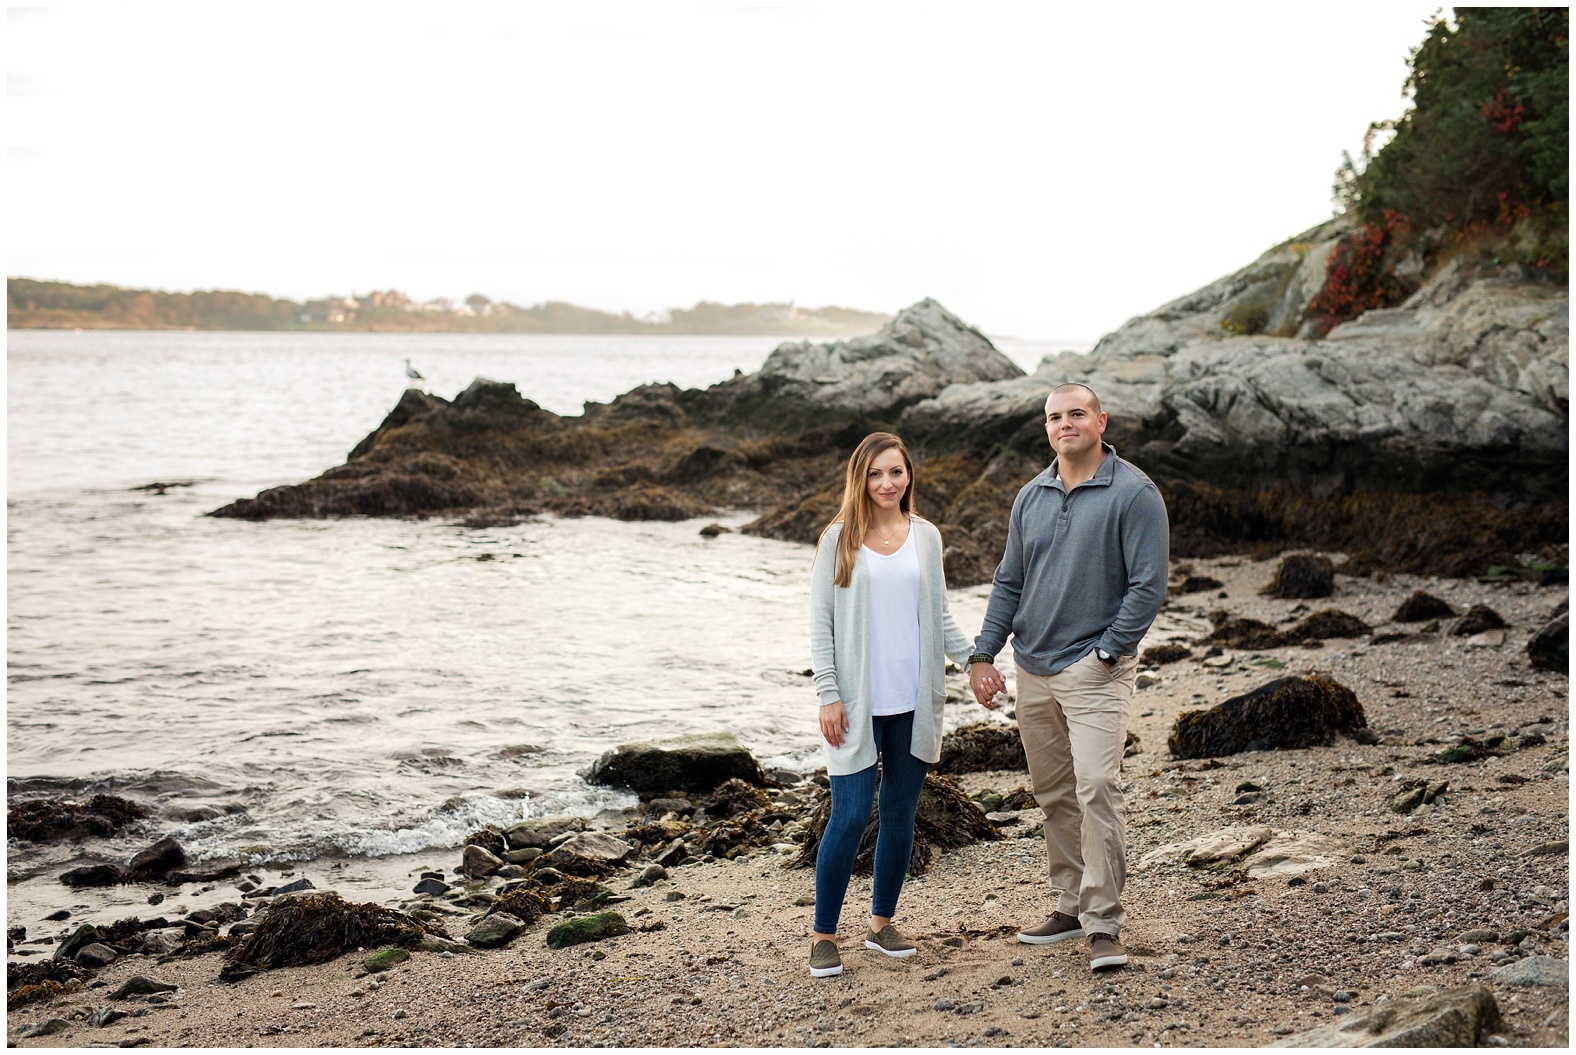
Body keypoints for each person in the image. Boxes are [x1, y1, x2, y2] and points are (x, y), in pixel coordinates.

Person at [966, 382, 1168, 972]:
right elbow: (1009, 581)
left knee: (1098, 789)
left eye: (1076, 414)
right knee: (1054, 793)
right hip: (1032, 668)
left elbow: (1147, 585)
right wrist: (984, 654)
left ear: (1101, 420)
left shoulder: (1135, 493)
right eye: (1055, 417)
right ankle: (1069, 904)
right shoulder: (1032, 495)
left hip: (1095, 671)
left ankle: (1104, 924)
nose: (1064, 424)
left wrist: (1108, 653)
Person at [806, 431, 973, 978]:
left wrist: (976, 659)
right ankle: (823, 935)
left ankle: (881, 924)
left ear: (908, 477)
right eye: (876, 474)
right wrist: (828, 693)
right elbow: (821, 627)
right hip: (856, 702)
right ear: (860, 478)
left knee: (899, 815)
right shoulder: (838, 540)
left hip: (914, 698)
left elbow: (940, 613)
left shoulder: (926, 537)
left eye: (895, 472)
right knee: (851, 814)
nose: (886, 483)